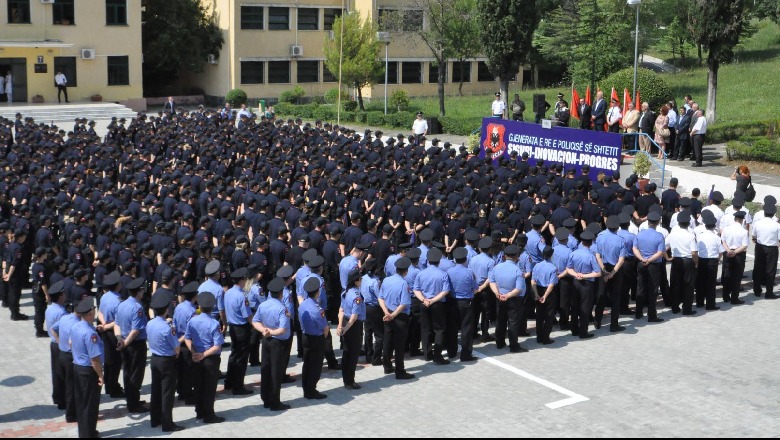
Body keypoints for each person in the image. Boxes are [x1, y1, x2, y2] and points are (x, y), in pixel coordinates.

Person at [147, 291, 184, 432]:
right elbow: (176, 347)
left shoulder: (150, 323)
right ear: (166, 310)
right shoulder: (168, 329)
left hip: (155, 359)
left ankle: (154, 419)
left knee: (155, 390)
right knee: (167, 393)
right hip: (167, 361)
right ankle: (167, 423)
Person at [185, 291, 225, 422]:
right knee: (209, 388)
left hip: (196, 357)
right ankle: (209, 415)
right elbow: (217, 346)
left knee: (198, 386)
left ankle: (199, 411)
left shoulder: (192, 321)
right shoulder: (214, 324)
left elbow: (187, 338)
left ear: (199, 307)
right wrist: (203, 355)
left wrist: (193, 353)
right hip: (209, 359)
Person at [253, 277, 292, 411]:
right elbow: (283, 329)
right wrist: (272, 332)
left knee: (266, 369)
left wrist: (264, 330)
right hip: (277, 342)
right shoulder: (282, 308)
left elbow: (255, 321)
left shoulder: (263, 305)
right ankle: (275, 402)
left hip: (266, 340)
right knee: (276, 372)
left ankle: (266, 399)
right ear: (281, 293)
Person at [114, 277, 149, 413]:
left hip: (124, 342)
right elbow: (136, 330)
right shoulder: (137, 308)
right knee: (136, 375)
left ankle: (132, 399)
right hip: (135, 345)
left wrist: (120, 340)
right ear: (139, 292)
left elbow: (116, 324)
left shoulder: (122, 304)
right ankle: (134, 405)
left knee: (128, 373)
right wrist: (126, 342)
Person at [70, 297, 104, 439]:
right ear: (90, 313)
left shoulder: (76, 326)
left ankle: (85, 432)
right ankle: (88, 434)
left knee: (82, 403)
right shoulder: (91, 334)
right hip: (88, 371)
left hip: (77, 367)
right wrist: (101, 376)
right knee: (90, 405)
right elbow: (94, 359)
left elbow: (71, 343)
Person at [378, 257, 415, 380]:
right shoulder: (404, 283)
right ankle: (400, 371)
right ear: (406, 271)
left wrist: (386, 313)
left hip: (387, 314)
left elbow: (380, 297)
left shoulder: (386, 280)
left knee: (387, 341)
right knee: (399, 345)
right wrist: (393, 315)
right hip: (399, 317)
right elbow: (404, 303)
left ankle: (387, 366)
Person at [490, 244, 527, 352]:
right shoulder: (518, 271)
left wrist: (497, 293)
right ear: (517, 256)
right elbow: (518, 289)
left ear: (505, 256)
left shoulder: (496, 267)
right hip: (514, 299)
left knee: (500, 321)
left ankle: (500, 342)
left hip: (499, 297)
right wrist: (508, 295)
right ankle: (513, 346)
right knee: (513, 322)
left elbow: (492, 281)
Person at [223, 267, 254, 395]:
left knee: (233, 355)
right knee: (241, 359)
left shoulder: (228, 292)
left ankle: (229, 381)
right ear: (242, 280)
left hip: (233, 327)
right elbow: (248, 316)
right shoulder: (242, 296)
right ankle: (238, 386)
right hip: (242, 328)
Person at [566, 231, 601, 339]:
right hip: (587, 284)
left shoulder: (573, 253)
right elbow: (598, 272)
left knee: (575, 307)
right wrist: (584, 276)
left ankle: (574, 330)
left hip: (576, 282)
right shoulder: (591, 256)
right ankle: (583, 332)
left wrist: (576, 275)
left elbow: (568, 268)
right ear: (591, 243)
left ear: (581, 241)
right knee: (585, 308)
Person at [632, 211, 666, 322]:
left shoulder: (639, 234)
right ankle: (652, 315)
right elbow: (660, 252)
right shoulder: (659, 236)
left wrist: (642, 259)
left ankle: (638, 312)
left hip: (641, 263)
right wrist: (649, 260)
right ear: (658, 222)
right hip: (654, 265)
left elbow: (634, 248)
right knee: (653, 290)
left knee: (640, 288)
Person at [95, 271, 124, 398]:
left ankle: (109, 386)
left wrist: (103, 324)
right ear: (117, 285)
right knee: (116, 362)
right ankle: (114, 388)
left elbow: (100, 312)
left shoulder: (104, 296)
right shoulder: (119, 301)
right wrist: (107, 326)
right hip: (113, 332)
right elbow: (118, 321)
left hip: (105, 331)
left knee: (108, 361)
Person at [298, 277, 328, 399]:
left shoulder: (303, 305)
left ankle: (306, 388)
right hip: (316, 339)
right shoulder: (318, 309)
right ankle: (311, 390)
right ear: (318, 292)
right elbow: (325, 328)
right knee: (315, 366)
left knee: (307, 364)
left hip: (305, 336)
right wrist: (324, 338)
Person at [447, 247, 478, 361]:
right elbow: (475, 288)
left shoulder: (449, 271)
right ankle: (466, 354)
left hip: (452, 301)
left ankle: (451, 352)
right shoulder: (469, 272)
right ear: (465, 259)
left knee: (452, 327)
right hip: (466, 302)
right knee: (466, 328)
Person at [665, 211, 698, 315]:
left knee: (675, 284)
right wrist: (696, 263)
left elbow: (663, 247)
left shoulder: (673, 234)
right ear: (688, 223)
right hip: (688, 261)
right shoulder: (690, 235)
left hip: (676, 260)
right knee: (688, 285)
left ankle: (675, 307)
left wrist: (668, 258)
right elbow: (693, 252)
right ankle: (687, 308)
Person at [338, 270, 364, 390]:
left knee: (346, 352)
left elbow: (341, 310)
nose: (361, 281)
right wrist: (345, 329)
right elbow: (354, 317)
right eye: (360, 279)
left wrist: (340, 326)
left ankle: (346, 379)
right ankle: (350, 381)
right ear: (356, 281)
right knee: (353, 354)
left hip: (344, 322)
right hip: (352, 326)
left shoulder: (345, 292)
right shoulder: (356, 296)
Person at [45, 281, 68, 410]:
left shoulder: (50, 308)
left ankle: (58, 396)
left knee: (56, 372)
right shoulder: (61, 313)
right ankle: (63, 400)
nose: (65, 295)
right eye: (63, 293)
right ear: (60, 296)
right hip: (60, 344)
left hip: (53, 343)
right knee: (63, 373)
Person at [751, 203, 780, 299]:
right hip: (772, 248)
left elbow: (754, 235)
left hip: (760, 247)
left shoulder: (758, 223)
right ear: (773, 214)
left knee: (758, 268)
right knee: (770, 270)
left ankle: (757, 290)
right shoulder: (777, 225)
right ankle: (769, 292)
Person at [531, 246, 559, 344]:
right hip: (549, 293)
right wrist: (545, 296)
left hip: (538, 289)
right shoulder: (553, 268)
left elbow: (533, 281)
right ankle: (546, 338)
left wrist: (536, 294)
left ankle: (539, 337)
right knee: (549, 315)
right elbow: (551, 285)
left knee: (539, 315)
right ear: (551, 255)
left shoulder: (537, 265)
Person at [721, 210, 749, 305]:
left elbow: (723, 241)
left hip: (727, 253)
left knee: (727, 274)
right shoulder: (744, 231)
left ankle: (725, 296)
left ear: (734, 219)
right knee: (737, 277)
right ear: (742, 220)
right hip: (739, 254)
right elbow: (744, 246)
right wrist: (734, 252)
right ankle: (734, 298)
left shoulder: (726, 229)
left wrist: (729, 251)